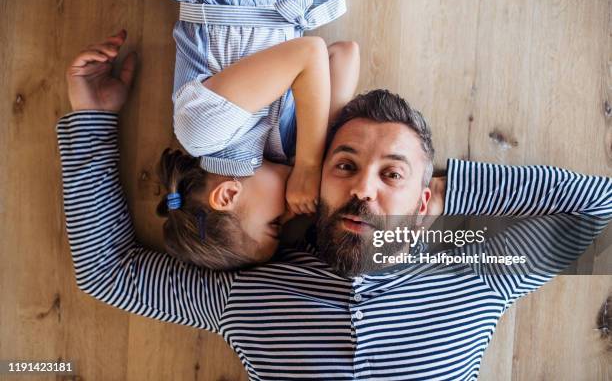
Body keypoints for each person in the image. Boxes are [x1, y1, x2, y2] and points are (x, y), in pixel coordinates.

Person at [60, 27, 612, 380]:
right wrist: (92, 116)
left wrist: (451, 193)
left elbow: (601, 214)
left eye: (391, 174)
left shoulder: (471, 263)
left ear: (426, 198)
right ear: (314, 179)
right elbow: (109, 274)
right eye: (344, 166)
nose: (363, 190)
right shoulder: (246, 293)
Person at [115, 0, 358, 270]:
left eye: (275, 224)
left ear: (228, 194)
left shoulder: (203, 134)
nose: (290, 214)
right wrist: (317, 161)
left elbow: (310, 52)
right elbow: (344, 54)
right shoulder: (280, 144)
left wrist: (308, 165)